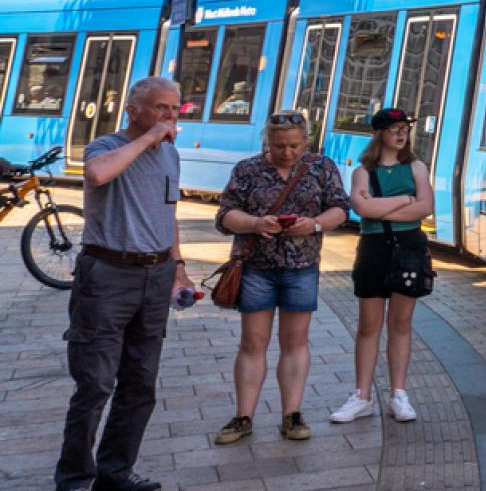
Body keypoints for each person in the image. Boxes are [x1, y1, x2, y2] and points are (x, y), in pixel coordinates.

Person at [57, 76, 194, 491]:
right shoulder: (106, 146)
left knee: (140, 384)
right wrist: (147, 139)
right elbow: (97, 174)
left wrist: (179, 269)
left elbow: (166, 216)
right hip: (107, 276)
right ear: (133, 111)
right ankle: (76, 478)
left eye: (175, 109)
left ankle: (115, 472)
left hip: (155, 277)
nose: (169, 116)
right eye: (160, 108)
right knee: (95, 384)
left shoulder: (171, 155)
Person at [212, 111, 350, 446]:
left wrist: (314, 224)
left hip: (301, 267)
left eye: (294, 145)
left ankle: (292, 414)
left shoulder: (322, 167)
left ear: (306, 141)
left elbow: (340, 209)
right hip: (256, 267)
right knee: (253, 343)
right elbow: (225, 215)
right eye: (279, 146)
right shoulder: (247, 169)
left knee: (295, 342)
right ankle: (243, 416)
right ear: (266, 142)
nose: (287, 152)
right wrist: (257, 224)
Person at [332, 108, 436, 425]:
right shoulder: (363, 171)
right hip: (374, 249)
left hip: (410, 248)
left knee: (400, 325)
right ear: (380, 134)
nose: (401, 134)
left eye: (404, 128)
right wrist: (405, 200)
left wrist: (379, 209)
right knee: (368, 326)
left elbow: (426, 209)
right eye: (394, 129)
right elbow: (360, 208)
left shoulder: (417, 167)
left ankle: (398, 394)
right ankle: (362, 396)